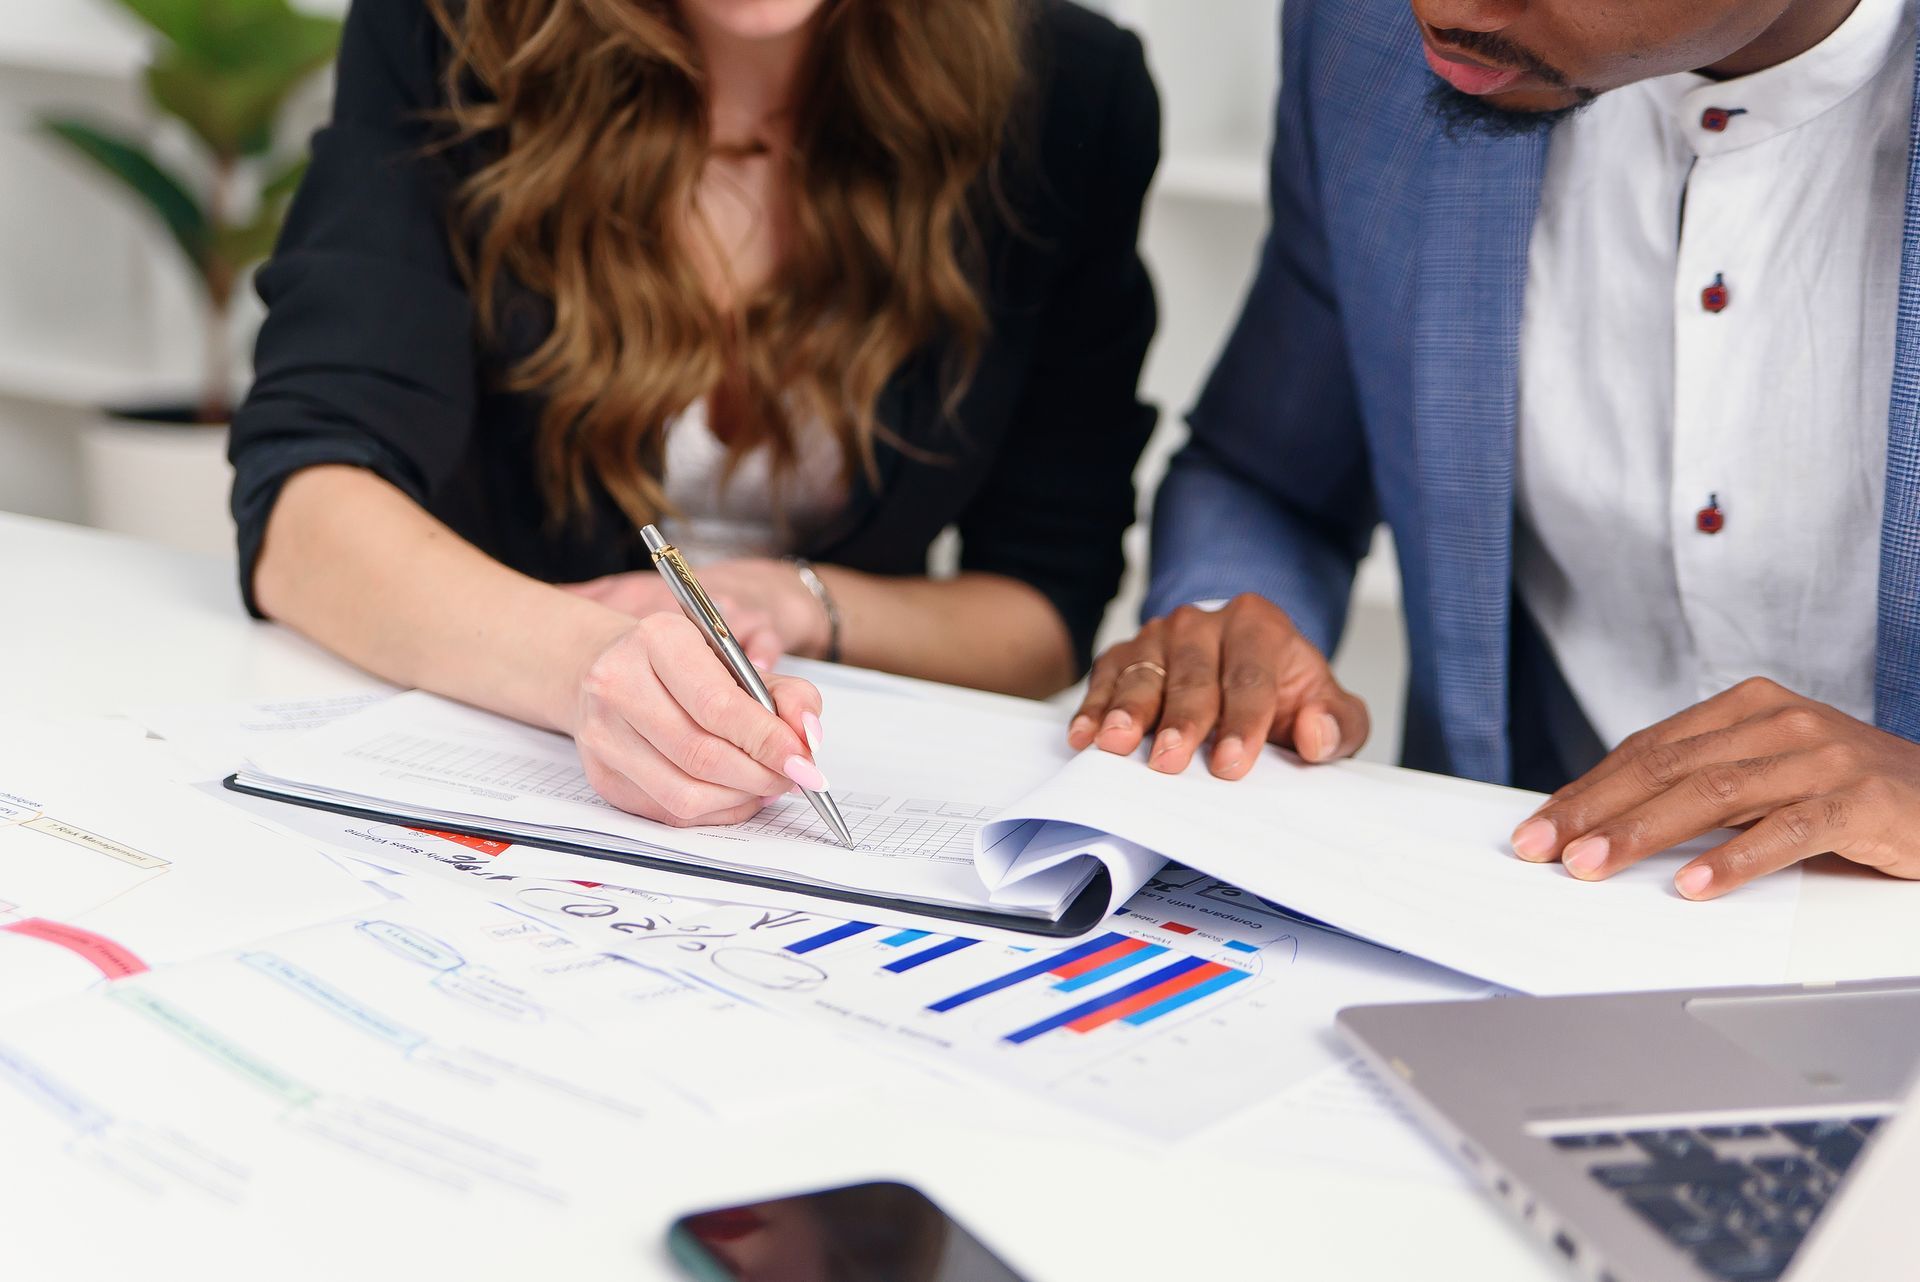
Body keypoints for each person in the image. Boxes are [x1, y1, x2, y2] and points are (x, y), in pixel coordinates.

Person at [233, 0, 1158, 828]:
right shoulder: (453, 28)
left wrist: (798, 601)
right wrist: (591, 669)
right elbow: (306, 507)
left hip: (835, 782)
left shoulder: (1067, 88)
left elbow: (1043, 614)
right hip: (499, 758)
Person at [1075, 0, 1920, 900]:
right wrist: (1232, 625)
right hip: (1519, 907)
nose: (1438, 9)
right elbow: (1270, 475)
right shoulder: (1366, 40)